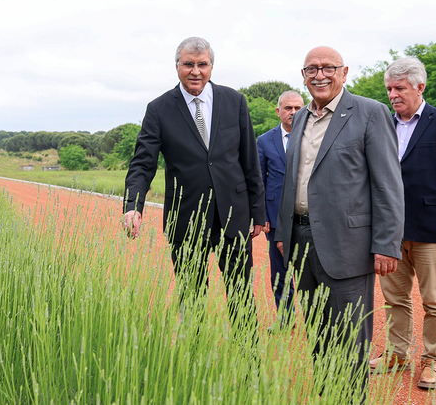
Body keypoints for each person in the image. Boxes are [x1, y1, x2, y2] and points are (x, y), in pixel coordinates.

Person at [274, 46, 404, 398]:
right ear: (303, 76)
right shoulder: (300, 118)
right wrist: (284, 232)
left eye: (328, 68)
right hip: (301, 241)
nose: (320, 75)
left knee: (349, 337)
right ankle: (327, 396)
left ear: (344, 73)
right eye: (312, 69)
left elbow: (388, 184)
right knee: (318, 334)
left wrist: (387, 243)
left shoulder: (370, 112)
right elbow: (292, 180)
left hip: (348, 246)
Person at [122, 36, 265, 334]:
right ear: (177, 66)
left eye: (203, 64)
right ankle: (196, 354)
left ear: (211, 66)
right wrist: (133, 205)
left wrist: (258, 211)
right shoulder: (159, 109)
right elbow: (143, 163)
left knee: (241, 295)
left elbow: (249, 159)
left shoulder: (234, 101)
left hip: (233, 215)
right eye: (188, 64)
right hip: (186, 218)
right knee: (192, 296)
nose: (196, 71)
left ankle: (248, 359)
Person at [369, 57, 436, 390]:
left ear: (420, 87)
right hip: (389, 231)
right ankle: (397, 354)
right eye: (389, 89)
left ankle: (434, 361)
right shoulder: (382, 124)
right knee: (394, 299)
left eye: (399, 88)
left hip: (431, 229)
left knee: (435, 302)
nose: (393, 95)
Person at [257, 90, 303, 321]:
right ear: (278, 111)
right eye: (288, 108)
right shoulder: (264, 141)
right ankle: (285, 318)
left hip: (307, 216)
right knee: (280, 271)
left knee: (308, 270)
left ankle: (317, 321)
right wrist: (262, 215)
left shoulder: (313, 136)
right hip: (276, 217)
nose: (293, 112)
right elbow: (259, 181)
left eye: (297, 108)